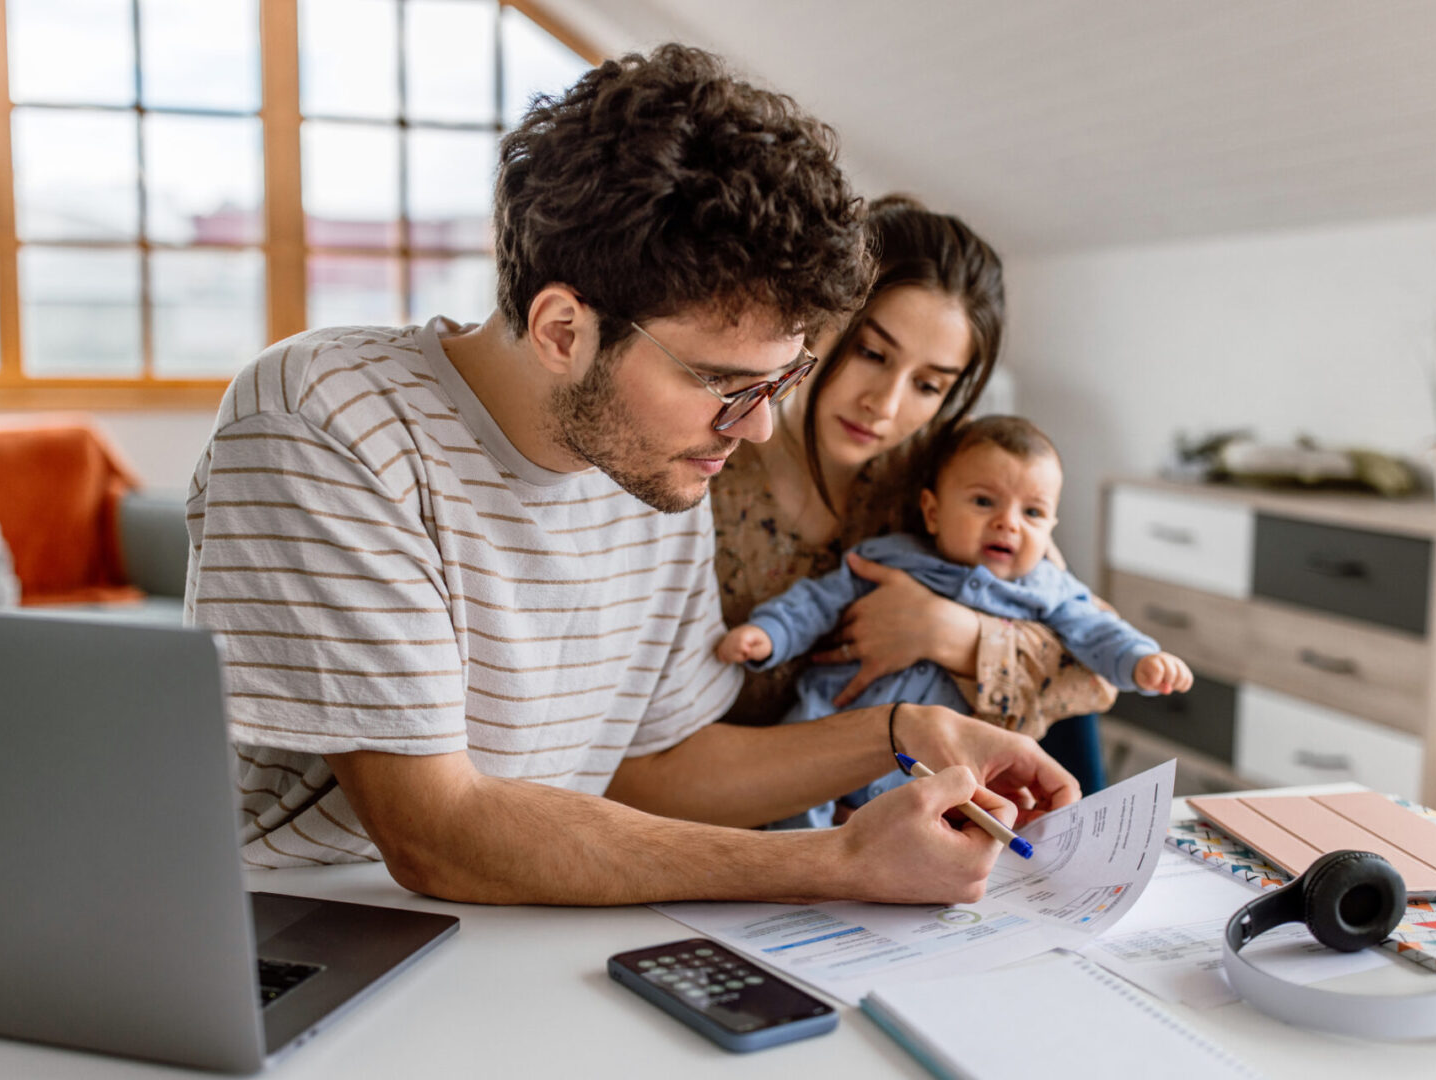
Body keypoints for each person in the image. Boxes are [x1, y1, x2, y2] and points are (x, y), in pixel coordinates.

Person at [183, 44, 1078, 907]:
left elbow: (658, 768)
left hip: (534, 918)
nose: (758, 424)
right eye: (723, 382)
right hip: (309, 924)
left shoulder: (655, 457)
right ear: (563, 331)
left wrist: (898, 733)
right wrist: (840, 859)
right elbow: (435, 834)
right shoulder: (326, 417)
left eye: (777, 381)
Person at [707, 197, 1118, 776]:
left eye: (928, 385)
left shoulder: (958, 481)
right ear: (820, 315)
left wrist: (951, 634)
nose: (886, 404)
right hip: (726, 803)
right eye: (871, 353)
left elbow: (1096, 674)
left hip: (896, 809)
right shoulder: (709, 459)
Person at [718, 415, 1193, 826]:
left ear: (1051, 529)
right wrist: (771, 633)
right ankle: (799, 855)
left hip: (942, 758)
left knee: (964, 809)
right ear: (933, 511)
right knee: (803, 760)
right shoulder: (892, 558)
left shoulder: (1048, 588)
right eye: (984, 502)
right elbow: (817, 601)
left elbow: (1098, 632)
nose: (1009, 523)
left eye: (1032, 512)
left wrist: (1139, 658)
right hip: (840, 715)